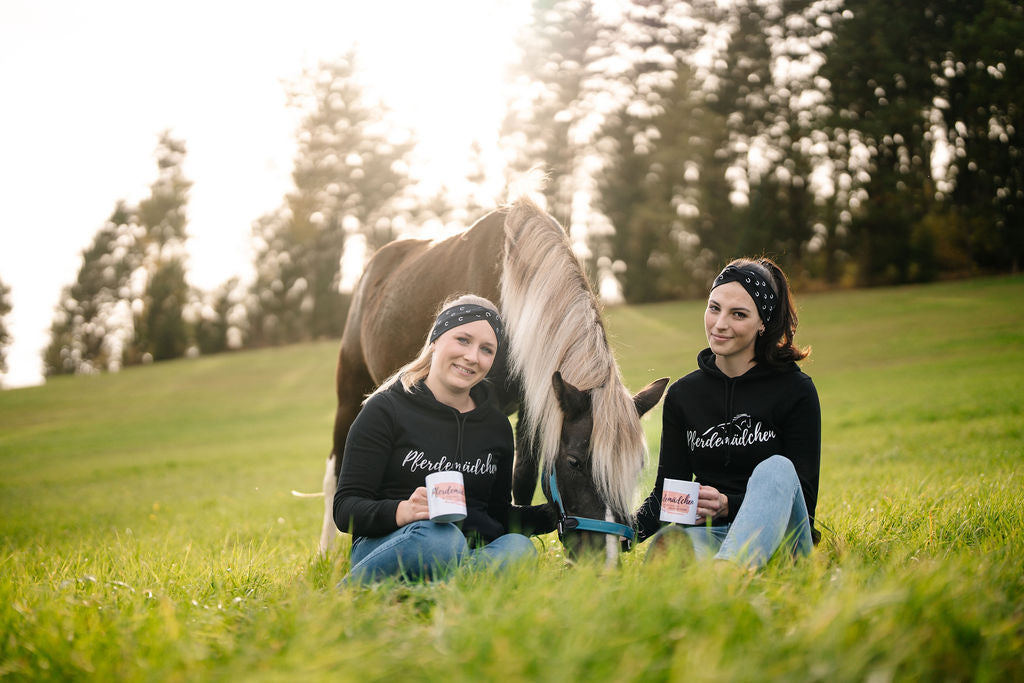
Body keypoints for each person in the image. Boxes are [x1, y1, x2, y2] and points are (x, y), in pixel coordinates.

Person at [334, 294, 551, 584]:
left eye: (486, 349)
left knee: (520, 549)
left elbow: (497, 515)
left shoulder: (496, 426)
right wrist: (404, 511)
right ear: (436, 339)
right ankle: (358, 587)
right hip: (396, 544)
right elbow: (346, 507)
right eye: (463, 340)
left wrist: (557, 515)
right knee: (442, 541)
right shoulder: (385, 409)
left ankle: (430, 592)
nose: (472, 357)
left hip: (469, 550)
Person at [636, 257, 820, 569]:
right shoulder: (683, 396)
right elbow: (669, 497)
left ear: (763, 322)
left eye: (738, 314)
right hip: (711, 536)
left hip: (784, 540)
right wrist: (615, 530)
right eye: (714, 307)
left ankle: (729, 573)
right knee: (670, 546)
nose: (720, 323)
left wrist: (727, 505)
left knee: (776, 469)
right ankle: (725, 574)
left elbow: (799, 495)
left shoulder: (795, 390)